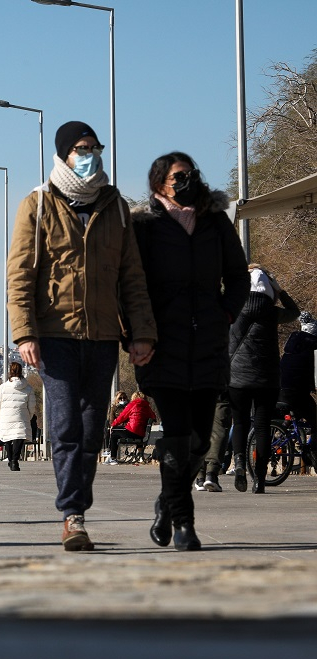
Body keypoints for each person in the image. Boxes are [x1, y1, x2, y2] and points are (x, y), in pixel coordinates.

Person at [7, 121, 157, 551]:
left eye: (95, 147)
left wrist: (141, 333)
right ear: (63, 154)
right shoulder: (37, 204)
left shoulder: (116, 208)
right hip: (53, 335)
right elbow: (20, 276)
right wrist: (24, 334)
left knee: (93, 429)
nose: (90, 153)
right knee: (66, 424)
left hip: (103, 335)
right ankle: (73, 516)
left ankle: (78, 509)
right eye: (81, 148)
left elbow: (132, 277)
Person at [131, 152, 250, 549]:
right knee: (178, 435)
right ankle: (184, 522)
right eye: (178, 177)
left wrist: (227, 313)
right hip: (161, 346)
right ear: (159, 184)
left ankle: (166, 503)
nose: (186, 181)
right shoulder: (144, 226)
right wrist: (135, 334)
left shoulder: (214, 221)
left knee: (200, 440)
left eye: (191, 174)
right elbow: (129, 286)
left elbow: (237, 274)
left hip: (208, 344)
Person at [229, 265, 300, 494]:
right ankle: (259, 478)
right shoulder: (273, 312)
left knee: (239, 422)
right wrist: (279, 290)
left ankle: (239, 463)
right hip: (267, 380)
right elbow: (295, 312)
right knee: (261, 427)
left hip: (237, 378)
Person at [279, 312, 317, 465]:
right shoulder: (313, 346)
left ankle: (281, 432)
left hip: (281, 391)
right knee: (315, 420)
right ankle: (311, 450)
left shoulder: (291, 344)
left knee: (295, 413)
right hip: (297, 393)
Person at [0, 362, 37, 471]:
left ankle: (10, 460)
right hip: (21, 415)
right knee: (19, 437)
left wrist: (1, 413)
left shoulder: (3, 387)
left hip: (6, 415)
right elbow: (32, 405)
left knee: (7, 438)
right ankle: (14, 461)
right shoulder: (28, 387)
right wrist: (29, 416)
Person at [107, 391, 157, 465]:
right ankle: (140, 456)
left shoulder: (133, 404)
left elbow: (122, 417)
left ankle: (112, 457)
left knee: (114, 434)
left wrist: (113, 425)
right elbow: (154, 417)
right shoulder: (147, 407)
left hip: (131, 431)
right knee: (125, 431)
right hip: (141, 435)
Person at [104, 391, 130, 461]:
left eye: (124, 398)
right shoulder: (114, 408)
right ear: (117, 399)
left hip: (126, 428)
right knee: (109, 427)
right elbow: (111, 420)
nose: (122, 400)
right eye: (120, 398)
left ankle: (111, 455)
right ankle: (108, 449)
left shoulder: (129, 407)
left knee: (113, 432)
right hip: (116, 426)